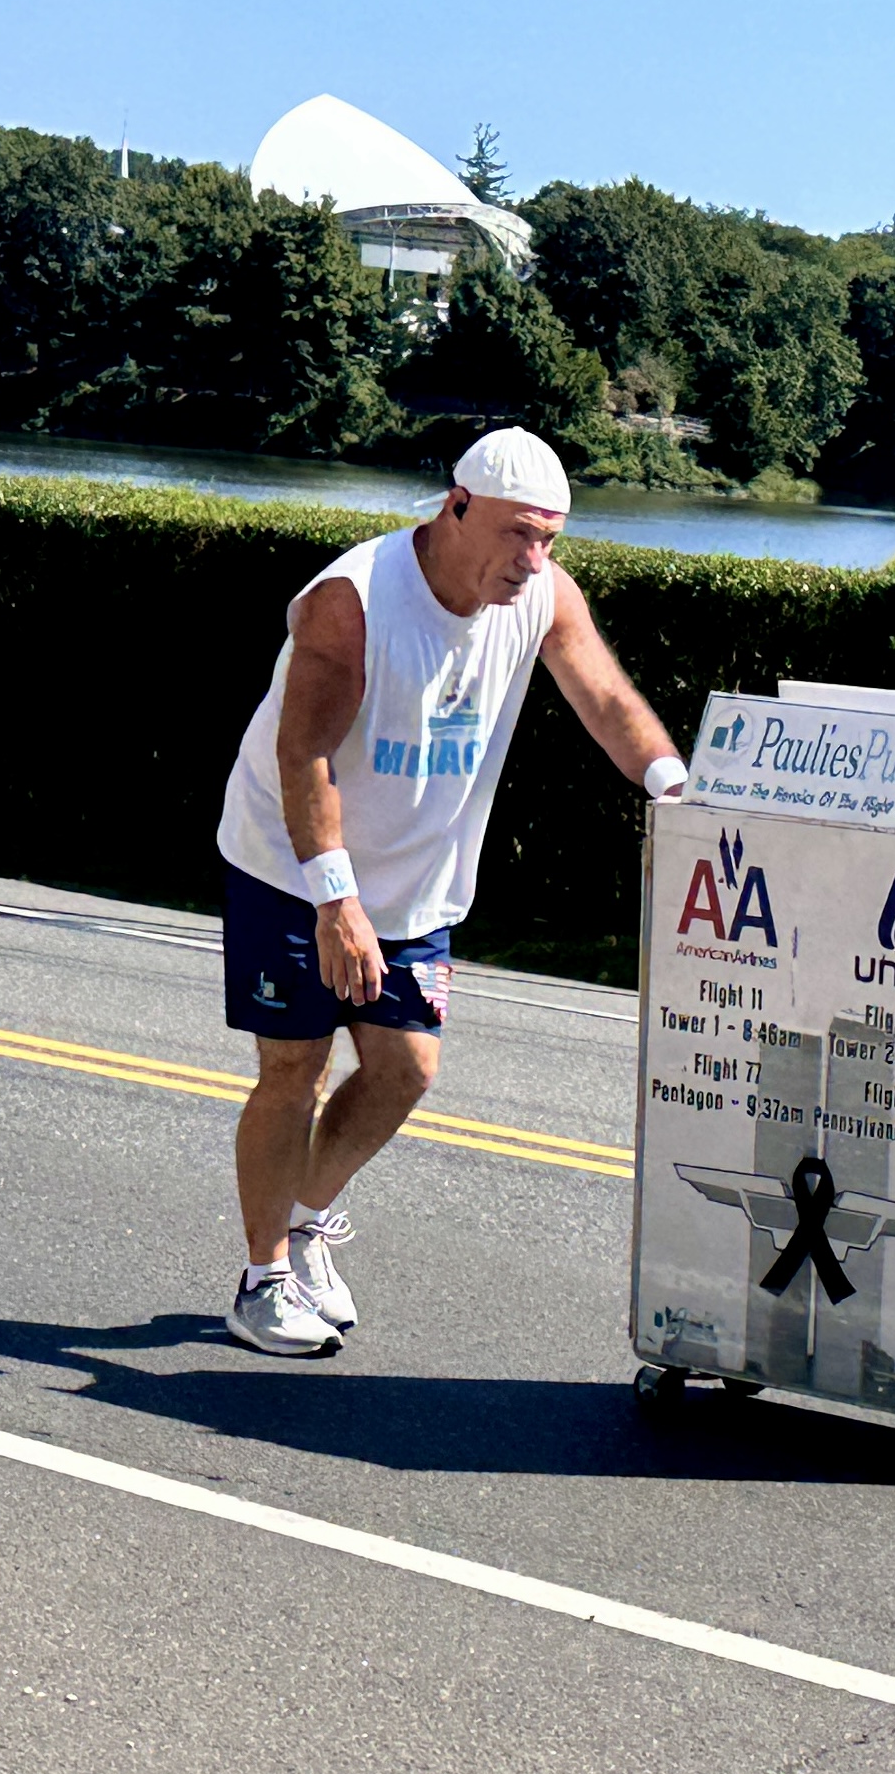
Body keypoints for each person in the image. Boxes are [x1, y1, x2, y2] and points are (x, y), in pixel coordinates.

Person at [214, 428, 685, 1356]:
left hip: (416, 884)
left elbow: (605, 699)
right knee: (294, 1069)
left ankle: (306, 1223)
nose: (531, 558)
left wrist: (675, 789)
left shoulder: (541, 596)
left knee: (406, 1069)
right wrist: (335, 899)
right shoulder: (351, 604)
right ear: (455, 507)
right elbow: (302, 752)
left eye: (548, 538)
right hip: (290, 865)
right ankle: (262, 1278)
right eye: (516, 534)